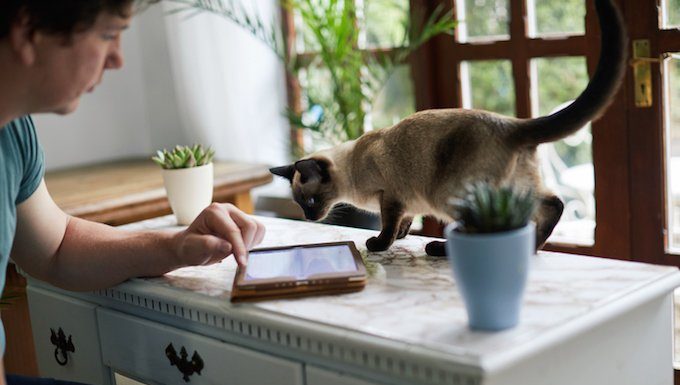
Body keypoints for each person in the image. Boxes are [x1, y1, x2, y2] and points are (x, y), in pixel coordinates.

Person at [0, 1, 265, 383]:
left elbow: (56, 247)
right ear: (28, 30)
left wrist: (174, 247)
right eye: (108, 34)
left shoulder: (13, 131)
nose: (118, 59)